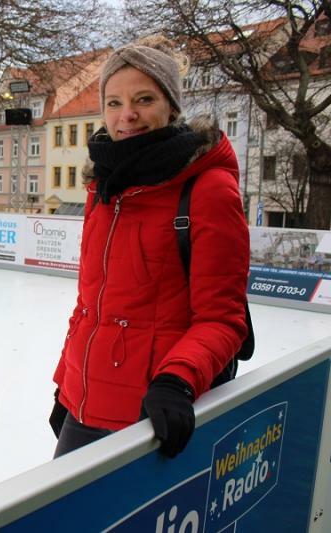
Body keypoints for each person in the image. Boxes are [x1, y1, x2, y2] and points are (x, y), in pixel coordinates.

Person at [50, 36, 249, 459]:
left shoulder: (207, 188)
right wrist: (65, 383)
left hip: (151, 413)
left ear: (171, 106)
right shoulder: (102, 186)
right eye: (114, 103)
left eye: (144, 98)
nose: (128, 116)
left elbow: (223, 318)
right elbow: (92, 305)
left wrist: (176, 381)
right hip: (82, 405)